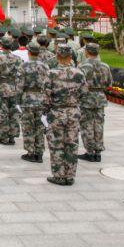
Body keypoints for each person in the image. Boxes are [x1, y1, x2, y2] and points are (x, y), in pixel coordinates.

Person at [45, 45, 88, 186]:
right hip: (73, 112)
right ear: (71, 57)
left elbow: (46, 97)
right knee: (72, 143)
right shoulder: (79, 73)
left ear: (57, 56)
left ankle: (59, 175)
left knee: (56, 144)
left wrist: (47, 110)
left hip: (56, 112)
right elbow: (84, 93)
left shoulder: (51, 73)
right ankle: (70, 176)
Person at [78, 43, 112, 162]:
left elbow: (78, 84)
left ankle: (89, 151)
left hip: (86, 98)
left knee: (86, 124)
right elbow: (109, 83)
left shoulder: (82, 66)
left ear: (87, 52)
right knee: (99, 124)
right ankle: (98, 151)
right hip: (100, 98)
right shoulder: (105, 66)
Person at [16, 43, 50, 163]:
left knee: (28, 127)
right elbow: (48, 85)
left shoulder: (23, 66)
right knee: (39, 127)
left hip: (27, 99)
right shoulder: (45, 66)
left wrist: (17, 100)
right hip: (41, 98)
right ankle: (39, 152)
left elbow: (19, 85)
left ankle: (31, 152)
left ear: (29, 52)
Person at [0, 37, 23, 146]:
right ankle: (12, 136)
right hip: (14, 87)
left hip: (2, 87)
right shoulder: (18, 59)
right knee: (14, 113)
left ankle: (4, 137)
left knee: (3, 112)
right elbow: (21, 75)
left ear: (1, 45)